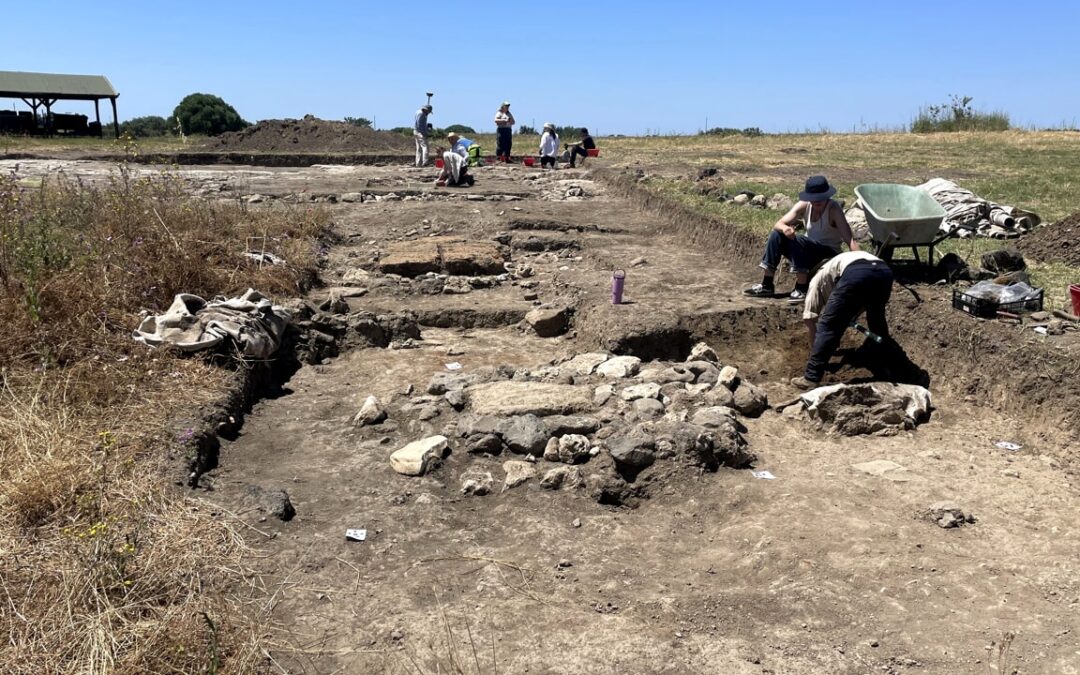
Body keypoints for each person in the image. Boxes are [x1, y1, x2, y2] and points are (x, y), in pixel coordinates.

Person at [744, 175, 859, 303]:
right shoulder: (804, 205)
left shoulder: (833, 209)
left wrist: (860, 263)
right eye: (814, 198)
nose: (817, 201)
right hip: (806, 251)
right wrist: (785, 229)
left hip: (828, 255)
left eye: (821, 197)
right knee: (776, 235)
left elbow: (850, 240)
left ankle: (801, 288)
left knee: (798, 240)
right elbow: (778, 224)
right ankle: (767, 284)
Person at [790, 250, 893, 390]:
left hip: (857, 273)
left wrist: (816, 348)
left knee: (828, 325)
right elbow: (862, 301)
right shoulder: (840, 263)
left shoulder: (816, 279)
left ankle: (811, 377)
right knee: (877, 323)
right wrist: (847, 315)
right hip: (884, 272)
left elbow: (810, 320)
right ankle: (888, 369)